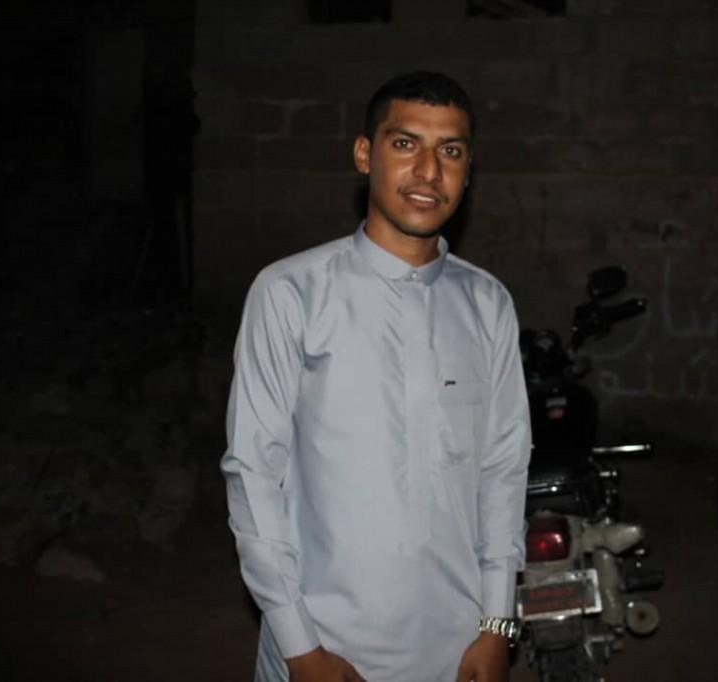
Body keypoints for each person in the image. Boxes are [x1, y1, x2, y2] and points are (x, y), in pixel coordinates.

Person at [220, 71, 531, 681]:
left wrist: (498, 626)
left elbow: (502, 470)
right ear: (365, 154)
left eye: (450, 151)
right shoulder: (292, 292)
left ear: (468, 169)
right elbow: (253, 472)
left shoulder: (487, 303)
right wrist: (300, 648)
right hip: (324, 647)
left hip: (457, 649)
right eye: (405, 143)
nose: (429, 171)